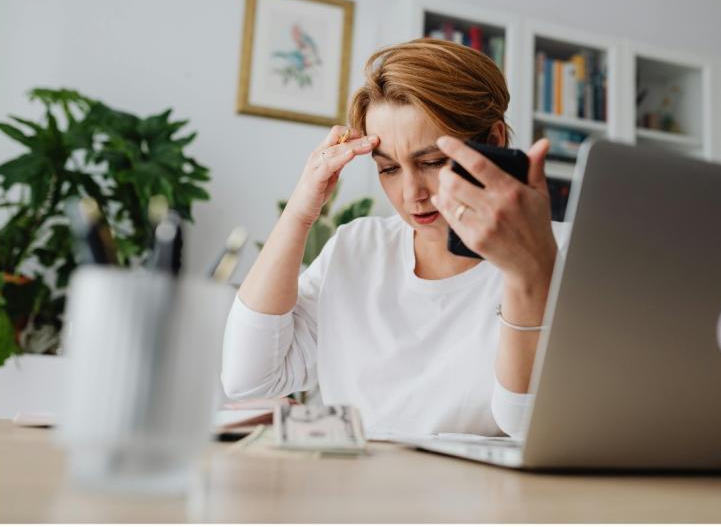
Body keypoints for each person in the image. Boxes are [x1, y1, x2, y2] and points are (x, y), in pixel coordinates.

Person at [221, 38, 569, 439]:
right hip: (359, 492)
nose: (411, 195)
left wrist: (528, 272)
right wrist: (300, 213)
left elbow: (527, 425)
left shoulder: (563, 254)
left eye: (432, 162)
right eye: (388, 169)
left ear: (492, 141)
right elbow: (249, 381)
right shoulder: (358, 247)